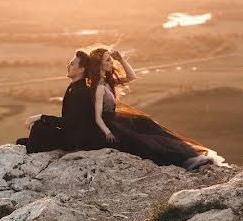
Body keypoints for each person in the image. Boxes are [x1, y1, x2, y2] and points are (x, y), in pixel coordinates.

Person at [85, 47, 223, 170]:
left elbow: (131, 76)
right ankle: (181, 160)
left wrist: (120, 59)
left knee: (155, 131)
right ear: (99, 65)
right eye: (108, 60)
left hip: (118, 120)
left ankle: (189, 156)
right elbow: (97, 116)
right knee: (146, 141)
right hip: (111, 125)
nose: (111, 63)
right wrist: (108, 133)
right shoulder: (99, 88)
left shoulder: (108, 82)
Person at [17, 50, 103, 153]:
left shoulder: (81, 92)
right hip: (69, 135)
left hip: (75, 141)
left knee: (39, 126)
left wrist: (40, 117)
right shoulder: (74, 87)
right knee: (21, 142)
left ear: (81, 69)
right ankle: (31, 152)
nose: (68, 66)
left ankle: (30, 158)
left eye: (72, 64)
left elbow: (67, 122)